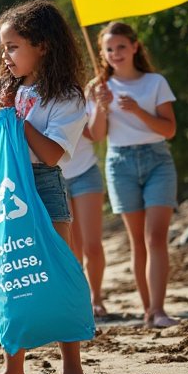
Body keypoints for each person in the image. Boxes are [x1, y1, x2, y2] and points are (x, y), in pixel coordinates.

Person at [0, 0, 90, 374]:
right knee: (10, 276)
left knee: (55, 273)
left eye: (14, 46)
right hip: (3, 188)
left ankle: (73, 369)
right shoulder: (2, 89)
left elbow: (53, 154)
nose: (6, 55)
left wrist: (15, 121)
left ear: (43, 46)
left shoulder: (66, 95)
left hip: (44, 185)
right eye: (4, 48)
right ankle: (13, 371)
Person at [87, 21, 179, 328]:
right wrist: (101, 107)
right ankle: (148, 311)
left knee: (156, 237)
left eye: (121, 47)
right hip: (120, 163)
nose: (116, 53)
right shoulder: (99, 88)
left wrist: (137, 110)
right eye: (109, 49)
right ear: (101, 52)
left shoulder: (155, 83)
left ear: (135, 47)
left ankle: (159, 309)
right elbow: (96, 135)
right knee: (137, 241)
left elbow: (169, 129)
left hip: (157, 160)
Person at [59, 123, 108, 317]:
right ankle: (78, 299)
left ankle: (96, 297)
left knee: (93, 246)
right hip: (53, 175)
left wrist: (99, 107)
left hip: (85, 172)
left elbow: (96, 135)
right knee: (71, 248)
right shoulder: (41, 94)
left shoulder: (89, 96)